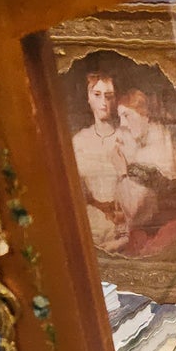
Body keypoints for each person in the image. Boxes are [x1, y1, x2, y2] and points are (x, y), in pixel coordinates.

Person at [114, 87, 176, 244]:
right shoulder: (156, 137)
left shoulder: (153, 151)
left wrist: (122, 172)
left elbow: (136, 212)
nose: (122, 124)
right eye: (120, 117)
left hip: (165, 231)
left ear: (144, 115)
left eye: (127, 115)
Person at [71, 71, 128, 251]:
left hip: (126, 219)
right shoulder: (79, 140)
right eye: (97, 95)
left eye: (109, 96)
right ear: (88, 98)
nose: (103, 102)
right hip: (92, 219)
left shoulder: (125, 137)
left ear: (115, 100)